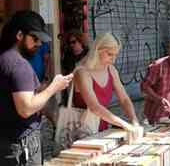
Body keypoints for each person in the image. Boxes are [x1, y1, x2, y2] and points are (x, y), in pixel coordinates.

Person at [0, 10, 73, 165]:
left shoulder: (4, 58)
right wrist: (53, 87)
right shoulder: (19, 65)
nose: (39, 44)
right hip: (20, 146)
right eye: (35, 38)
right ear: (19, 35)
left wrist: (40, 93)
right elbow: (25, 108)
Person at [73, 33, 141, 134]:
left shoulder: (111, 70)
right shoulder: (82, 72)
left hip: (102, 127)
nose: (113, 60)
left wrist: (134, 120)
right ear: (97, 50)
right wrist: (124, 124)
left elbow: (124, 98)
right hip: (82, 128)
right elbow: (94, 107)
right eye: (109, 54)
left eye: (115, 55)